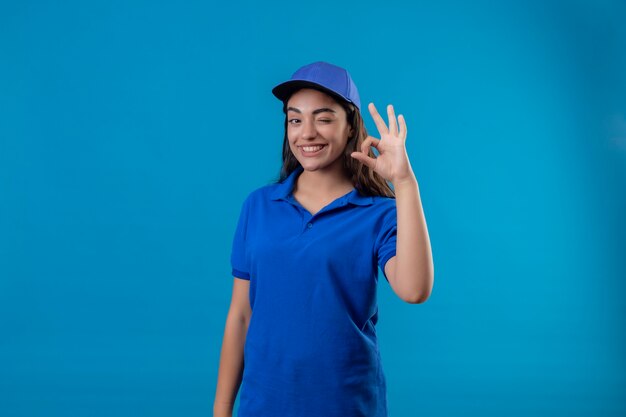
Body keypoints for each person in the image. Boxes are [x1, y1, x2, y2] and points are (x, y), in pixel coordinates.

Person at [213, 61, 434, 417]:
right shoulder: (258, 206)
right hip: (264, 406)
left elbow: (414, 290)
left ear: (350, 127)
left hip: (347, 405)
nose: (307, 133)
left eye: (324, 118)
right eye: (295, 119)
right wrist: (221, 409)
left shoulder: (380, 213)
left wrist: (406, 184)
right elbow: (240, 315)